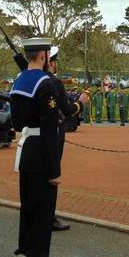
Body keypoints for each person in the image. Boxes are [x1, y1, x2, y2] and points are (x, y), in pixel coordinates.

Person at [10, 37, 73, 257]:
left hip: (27, 150)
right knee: (42, 215)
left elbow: (16, 122)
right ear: (45, 55)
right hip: (41, 154)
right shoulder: (44, 84)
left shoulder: (20, 81)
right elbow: (49, 130)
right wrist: (54, 169)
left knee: (29, 212)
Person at [47, 46, 89, 232]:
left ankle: (35, 212)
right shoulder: (53, 82)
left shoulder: (25, 80)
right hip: (53, 134)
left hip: (31, 138)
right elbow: (68, 110)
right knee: (51, 176)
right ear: (50, 62)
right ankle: (48, 216)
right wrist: (81, 102)